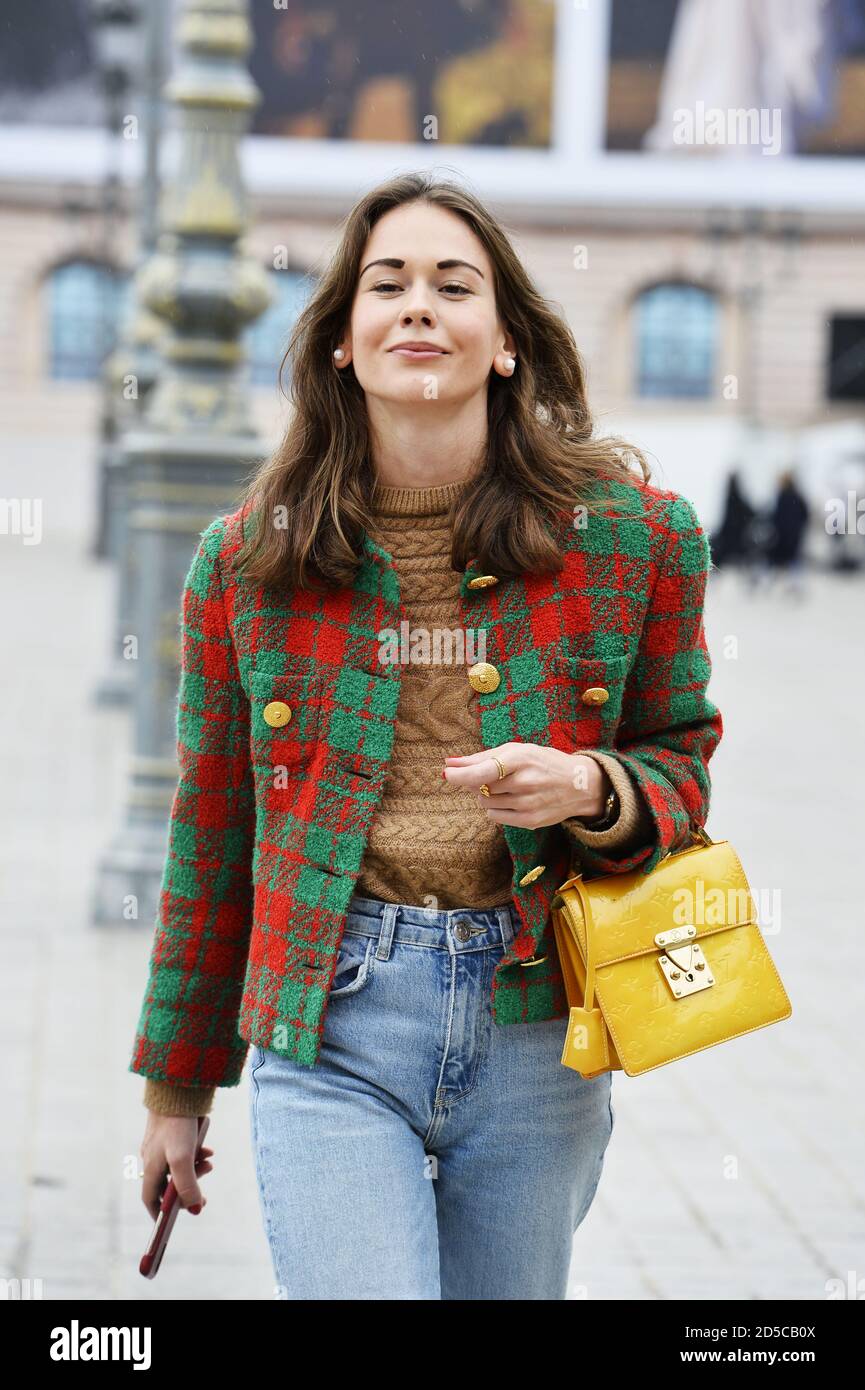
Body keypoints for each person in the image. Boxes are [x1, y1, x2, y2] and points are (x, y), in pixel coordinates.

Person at [130, 172, 723, 1299]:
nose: (417, 305)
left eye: (454, 285)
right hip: (332, 1017)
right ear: (342, 341)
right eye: (385, 283)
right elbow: (211, 835)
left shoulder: (637, 540)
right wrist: (175, 1090)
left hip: (537, 1020)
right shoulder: (251, 560)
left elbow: (681, 760)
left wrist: (594, 787)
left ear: (504, 341)